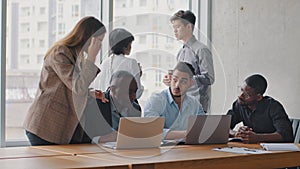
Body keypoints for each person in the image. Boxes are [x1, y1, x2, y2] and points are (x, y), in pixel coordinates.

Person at [23, 16, 106, 145]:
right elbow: (78, 86)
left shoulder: (76, 56)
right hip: (45, 126)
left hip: (58, 126)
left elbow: (70, 87)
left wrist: (90, 93)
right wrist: (91, 57)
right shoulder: (60, 53)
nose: (99, 46)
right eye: (98, 41)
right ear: (88, 37)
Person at [164, 10, 215, 113]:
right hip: (181, 104)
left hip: (198, 105)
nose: (175, 31)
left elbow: (209, 78)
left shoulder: (201, 50)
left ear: (189, 27)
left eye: (178, 27)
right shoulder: (180, 52)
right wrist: (172, 80)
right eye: (174, 28)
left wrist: (186, 80)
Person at [144, 62, 205, 140]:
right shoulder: (156, 100)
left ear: (191, 83)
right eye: (175, 80)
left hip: (187, 149)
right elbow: (152, 132)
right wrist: (187, 134)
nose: (177, 86)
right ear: (170, 78)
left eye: (183, 82)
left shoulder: (194, 104)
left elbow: (203, 128)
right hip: (162, 149)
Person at [227, 74, 293, 144]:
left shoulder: (273, 106)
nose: (240, 96)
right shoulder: (239, 104)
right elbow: (223, 127)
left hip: (274, 151)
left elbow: (286, 135)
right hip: (251, 149)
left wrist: (258, 138)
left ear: (259, 97)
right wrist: (236, 133)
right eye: (241, 90)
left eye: (246, 95)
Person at [83, 70, 141, 143]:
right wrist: (101, 139)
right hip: (98, 152)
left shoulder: (136, 108)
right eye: (129, 91)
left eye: (135, 91)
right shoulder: (94, 105)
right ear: (113, 90)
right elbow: (81, 138)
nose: (134, 96)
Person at [98, 28, 144, 99]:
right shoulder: (131, 63)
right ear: (125, 46)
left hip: (106, 106)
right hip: (124, 107)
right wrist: (138, 75)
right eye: (130, 44)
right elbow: (137, 94)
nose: (131, 47)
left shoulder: (105, 63)